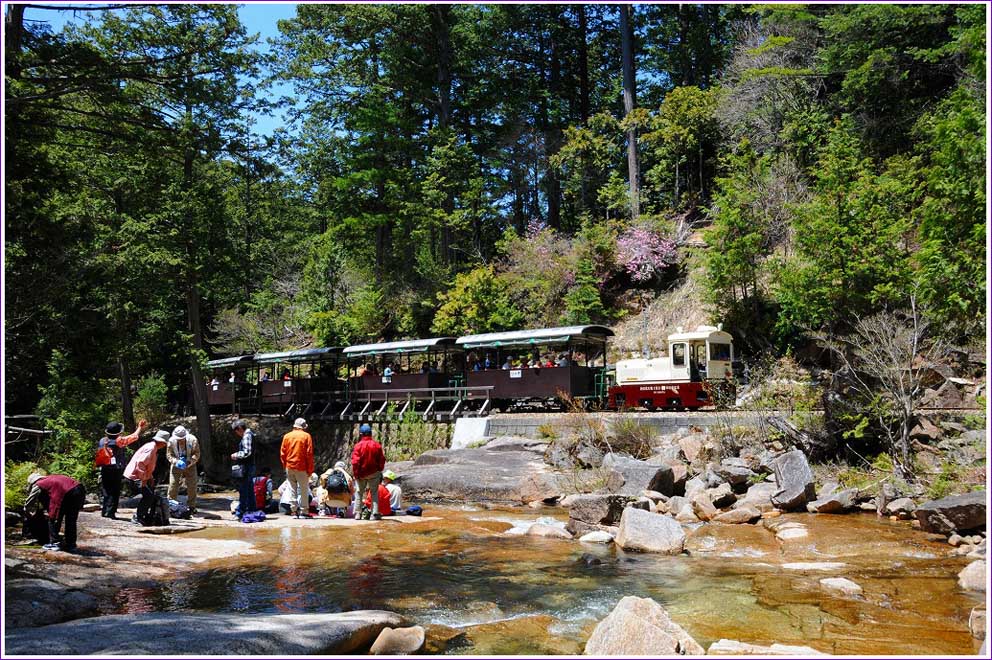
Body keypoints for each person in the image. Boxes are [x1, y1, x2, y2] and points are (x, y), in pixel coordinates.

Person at [95, 419, 147, 519]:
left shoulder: (103, 440)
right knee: (115, 490)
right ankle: (110, 512)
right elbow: (133, 437)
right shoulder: (118, 441)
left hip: (105, 467)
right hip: (116, 469)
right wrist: (140, 427)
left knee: (106, 490)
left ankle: (105, 511)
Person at [24, 473, 86, 552]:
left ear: (33, 482)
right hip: (79, 490)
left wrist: (27, 512)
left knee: (53, 518)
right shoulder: (51, 478)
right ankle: (71, 545)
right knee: (71, 520)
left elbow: (30, 500)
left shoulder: (39, 484)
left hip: (67, 494)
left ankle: (54, 543)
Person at [124, 430, 170, 525]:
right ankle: (138, 517)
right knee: (148, 496)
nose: (165, 445)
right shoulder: (150, 448)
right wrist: (144, 479)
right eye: (165, 443)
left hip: (140, 475)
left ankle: (146, 516)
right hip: (135, 476)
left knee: (151, 495)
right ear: (162, 442)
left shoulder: (153, 447)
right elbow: (140, 464)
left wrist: (150, 477)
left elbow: (147, 465)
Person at [280, 417, 315, 519]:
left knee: (292, 488)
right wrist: (310, 470)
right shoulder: (306, 436)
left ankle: (294, 512)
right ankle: (304, 511)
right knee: (304, 490)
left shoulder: (287, 436)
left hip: (289, 466)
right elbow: (309, 454)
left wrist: (285, 465)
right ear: (303, 427)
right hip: (301, 467)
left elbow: (282, 453)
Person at [351, 423, 385, 520]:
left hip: (361, 474)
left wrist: (356, 474)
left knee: (359, 493)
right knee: (374, 493)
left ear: (361, 434)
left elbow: (355, 462)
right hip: (374, 473)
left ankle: (358, 514)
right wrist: (379, 469)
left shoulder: (358, 446)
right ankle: (374, 514)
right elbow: (382, 459)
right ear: (370, 434)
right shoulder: (377, 445)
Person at [167, 425, 200, 514]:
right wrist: (176, 462)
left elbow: (197, 453)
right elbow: (169, 455)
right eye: (178, 439)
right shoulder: (171, 441)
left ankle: (191, 506)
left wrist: (190, 462)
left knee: (192, 485)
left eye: (182, 439)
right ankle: (170, 506)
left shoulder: (193, 440)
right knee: (173, 485)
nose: (180, 440)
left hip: (190, 464)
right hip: (176, 464)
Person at [230, 419, 256, 520]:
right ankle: (251, 510)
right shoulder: (250, 434)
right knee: (249, 490)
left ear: (240, 429)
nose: (237, 434)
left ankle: (240, 513)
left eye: (236, 431)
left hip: (246, 467)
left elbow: (246, 452)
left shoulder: (247, 436)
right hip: (249, 466)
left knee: (243, 490)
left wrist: (235, 455)